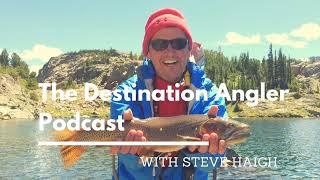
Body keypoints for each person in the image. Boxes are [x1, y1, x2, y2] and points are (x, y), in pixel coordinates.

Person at [110, 8, 228, 180]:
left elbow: (214, 162)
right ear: (148, 52)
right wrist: (134, 154)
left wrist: (204, 153)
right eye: (160, 44)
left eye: (178, 43)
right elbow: (128, 160)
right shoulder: (125, 93)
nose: (170, 51)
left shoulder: (210, 95)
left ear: (189, 49)